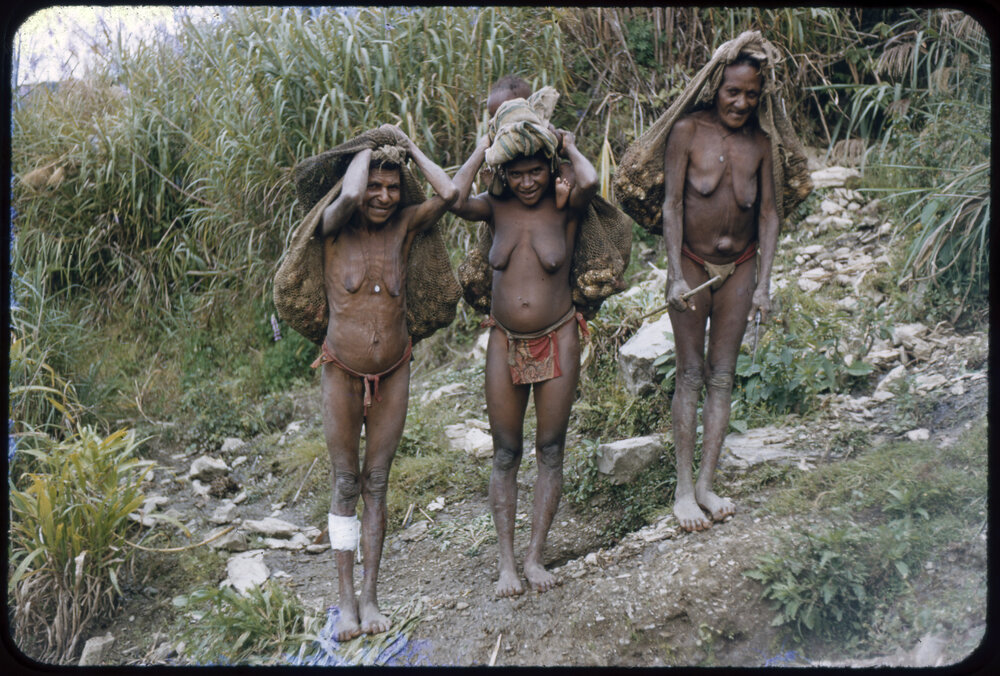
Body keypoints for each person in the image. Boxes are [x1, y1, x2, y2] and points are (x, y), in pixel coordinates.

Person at [313, 124, 457, 639]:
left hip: (394, 370)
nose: (383, 196)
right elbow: (349, 193)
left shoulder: (405, 226)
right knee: (346, 482)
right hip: (341, 372)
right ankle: (345, 602)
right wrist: (371, 148)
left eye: (393, 187)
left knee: (378, 481)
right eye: (376, 185)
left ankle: (372, 598)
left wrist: (411, 148)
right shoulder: (332, 227)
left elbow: (452, 192)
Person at [451, 100, 598, 597]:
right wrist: (481, 150)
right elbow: (452, 197)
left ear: (548, 167)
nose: (528, 182)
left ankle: (536, 555)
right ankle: (507, 565)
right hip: (504, 338)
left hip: (558, 333)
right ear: (503, 173)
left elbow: (593, 182)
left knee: (551, 449)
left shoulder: (565, 205)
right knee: (506, 452)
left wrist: (569, 147)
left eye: (536, 170)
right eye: (516, 173)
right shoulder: (494, 208)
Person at [661, 53, 779, 532]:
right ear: (716, 87)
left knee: (723, 375)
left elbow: (769, 214)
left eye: (752, 94)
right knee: (690, 373)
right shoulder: (688, 131)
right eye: (733, 92)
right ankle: (684, 489)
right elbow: (670, 205)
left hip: (742, 266)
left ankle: (708, 484)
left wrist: (764, 285)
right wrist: (673, 274)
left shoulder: (762, 144)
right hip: (691, 263)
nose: (742, 102)